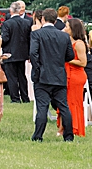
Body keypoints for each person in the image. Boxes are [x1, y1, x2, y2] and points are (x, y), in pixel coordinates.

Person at [29, 8, 75, 141]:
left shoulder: (37, 34)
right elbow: (70, 55)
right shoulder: (64, 36)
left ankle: (38, 136)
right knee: (64, 107)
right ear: (55, 21)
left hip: (42, 76)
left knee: (42, 108)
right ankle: (69, 136)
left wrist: (37, 69)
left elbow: (33, 53)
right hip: (59, 75)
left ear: (43, 19)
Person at [0, 1, 32, 103]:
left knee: (12, 76)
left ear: (11, 11)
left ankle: (15, 98)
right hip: (22, 53)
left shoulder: (7, 23)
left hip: (10, 53)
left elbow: (5, 38)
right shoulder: (27, 23)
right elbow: (29, 38)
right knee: (22, 76)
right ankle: (25, 97)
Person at [64, 17, 89, 138]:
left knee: (74, 102)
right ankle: (67, 126)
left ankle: (75, 127)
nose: (65, 28)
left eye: (67, 26)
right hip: (68, 73)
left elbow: (83, 62)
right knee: (68, 101)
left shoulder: (79, 43)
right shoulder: (68, 41)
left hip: (76, 75)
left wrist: (68, 60)